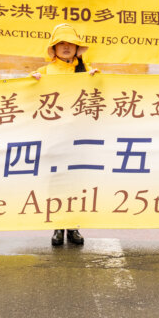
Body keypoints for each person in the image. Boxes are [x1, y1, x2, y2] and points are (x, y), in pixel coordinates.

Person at [31, 23, 98, 246]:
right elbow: (27, 94)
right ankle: (58, 226)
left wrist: (96, 80)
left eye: (71, 43)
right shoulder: (43, 72)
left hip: (79, 137)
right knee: (57, 181)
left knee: (77, 180)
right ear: (54, 48)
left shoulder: (88, 71)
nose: (66, 47)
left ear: (77, 48)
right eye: (61, 43)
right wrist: (31, 82)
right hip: (54, 136)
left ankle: (74, 227)